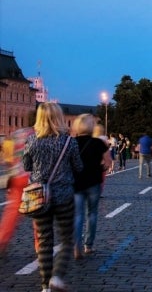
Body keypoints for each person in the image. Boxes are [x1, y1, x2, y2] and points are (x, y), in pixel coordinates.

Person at [22, 102, 83, 292]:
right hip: (64, 195)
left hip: (39, 196)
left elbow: (26, 166)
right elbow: (78, 167)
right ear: (59, 118)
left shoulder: (32, 141)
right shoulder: (68, 141)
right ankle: (56, 277)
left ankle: (44, 285)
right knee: (67, 239)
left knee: (44, 240)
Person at [72, 114, 110, 259]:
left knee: (78, 215)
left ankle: (76, 246)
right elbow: (107, 162)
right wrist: (102, 169)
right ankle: (89, 245)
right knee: (92, 214)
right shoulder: (98, 143)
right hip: (94, 182)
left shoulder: (72, 142)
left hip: (76, 183)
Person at [0, 127, 35, 255]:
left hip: (17, 177)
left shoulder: (17, 134)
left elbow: (7, 160)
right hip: (32, 178)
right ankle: (40, 245)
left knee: (12, 212)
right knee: (38, 213)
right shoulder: (38, 135)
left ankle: (2, 240)